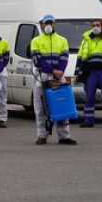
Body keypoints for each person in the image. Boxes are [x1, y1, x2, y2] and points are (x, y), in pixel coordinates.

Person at [31, 14, 75, 145]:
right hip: (42, 76)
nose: (48, 25)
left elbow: (64, 57)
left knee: (61, 105)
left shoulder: (62, 40)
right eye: (46, 23)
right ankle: (42, 135)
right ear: (42, 24)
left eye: (51, 22)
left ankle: (64, 136)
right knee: (40, 108)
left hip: (58, 76)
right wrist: (53, 70)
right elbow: (37, 59)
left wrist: (59, 72)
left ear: (55, 24)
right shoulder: (36, 40)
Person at [76, 20, 102, 128]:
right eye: (93, 25)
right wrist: (78, 72)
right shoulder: (86, 40)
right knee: (89, 96)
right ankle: (88, 121)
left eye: (97, 25)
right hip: (91, 72)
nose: (95, 27)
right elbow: (80, 56)